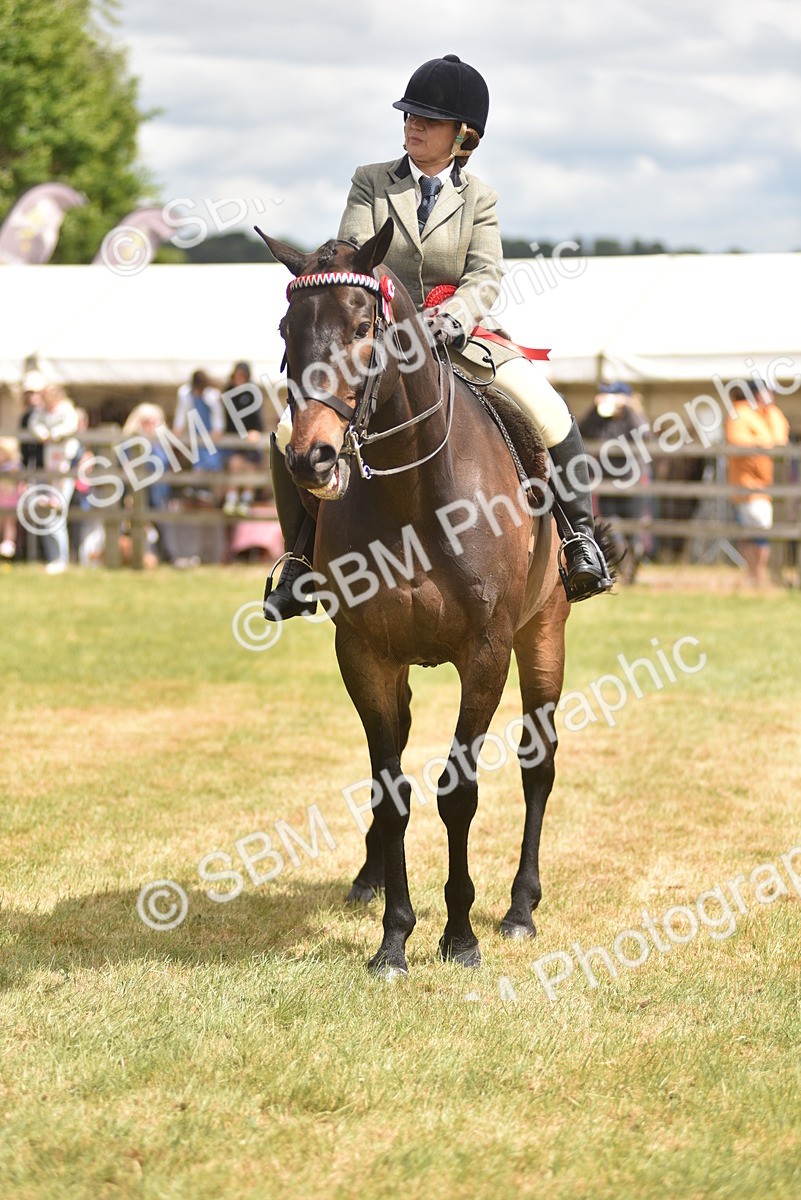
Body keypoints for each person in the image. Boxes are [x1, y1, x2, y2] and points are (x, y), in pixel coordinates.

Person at [267, 53, 613, 619]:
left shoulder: (480, 198)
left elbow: (486, 275)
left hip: (462, 336)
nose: (413, 127)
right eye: (409, 116)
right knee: (287, 433)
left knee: (551, 413)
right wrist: (397, 315)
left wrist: (451, 315)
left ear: (463, 135)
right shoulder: (371, 181)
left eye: (427, 120)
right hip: (381, 338)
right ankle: (301, 561)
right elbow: (357, 260)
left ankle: (579, 542)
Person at [579, 382, 649, 582]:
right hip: (608, 484)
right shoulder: (602, 421)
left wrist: (627, 408)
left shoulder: (633, 417)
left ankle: (632, 569)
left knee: (634, 531)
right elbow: (583, 430)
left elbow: (643, 433)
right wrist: (595, 408)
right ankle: (623, 567)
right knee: (611, 527)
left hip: (633, 484)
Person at [725, 379, 790, 586]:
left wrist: (770, 413)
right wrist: (766, 445)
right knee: (756, 532)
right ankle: (756, 576)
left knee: (761, 532)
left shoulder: (769, 414)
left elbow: (782, 439)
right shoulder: (740, 413)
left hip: (769, 485)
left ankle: (759, 577)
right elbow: (738, 441)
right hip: (748, 485)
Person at [27, 382, 80, 573]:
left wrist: (55, 434)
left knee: (56, 512)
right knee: (45, 513)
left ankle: (61, 559)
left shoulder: (67, 409)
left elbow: (70, 425)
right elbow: (34, 424)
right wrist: (43, 433)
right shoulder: (41, 411)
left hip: (64, 468)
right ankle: (53, 558)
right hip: (49, 467)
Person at [220, 362, 265, 516]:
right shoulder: (227, 392)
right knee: (235, 464)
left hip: (250, 439)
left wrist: (255, 432)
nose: (239, 379)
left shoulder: (252, 392)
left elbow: (258, 420)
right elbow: (224, 419)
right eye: (237, 376)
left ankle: (246, 499)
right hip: (233, 440)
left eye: (242, 376)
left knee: (250, 466)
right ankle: (231, 499)